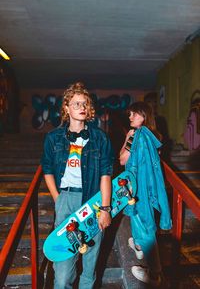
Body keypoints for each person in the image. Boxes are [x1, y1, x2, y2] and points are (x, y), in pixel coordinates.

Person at [41, 82, 114, 289]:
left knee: (90, 260)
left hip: (93, 199)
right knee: (63, 268)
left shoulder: (100, 138)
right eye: (76, 104)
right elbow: (47, 170)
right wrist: (58, 198)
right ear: (66, 108)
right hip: (66, 198)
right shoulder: (53, 138)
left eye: (85, 103)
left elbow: (106, 174)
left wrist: (105, 209)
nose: (81, 107)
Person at [119, 101, 172, 287]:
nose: (131, 117)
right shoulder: (153, 136)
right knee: (144, 224)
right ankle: (140, 247)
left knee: (146, 228)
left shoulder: (136, 135)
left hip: (138, 188)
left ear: (144, 115)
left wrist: (127, 138)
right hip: (149, 188)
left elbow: (122, 158)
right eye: (130, 114)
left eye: (134, 114)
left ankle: (155, 274)